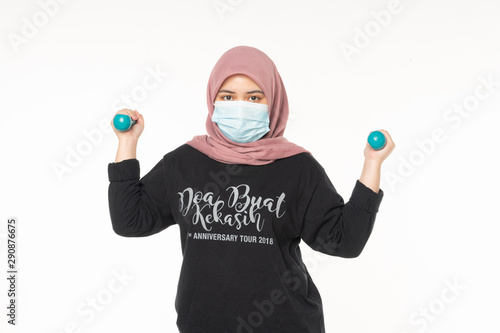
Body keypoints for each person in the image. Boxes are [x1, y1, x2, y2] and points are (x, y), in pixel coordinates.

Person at [107, 45, 395, 332]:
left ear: (273, 102)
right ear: (213, 99)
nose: (240, 106)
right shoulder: (184, 163)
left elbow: (345, 241)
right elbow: (130, 221)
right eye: (228, 96)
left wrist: (372, 162)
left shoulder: (298, 168)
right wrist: (127, 142)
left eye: (254, 98)